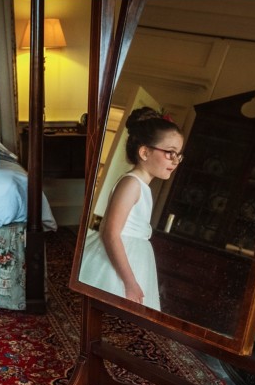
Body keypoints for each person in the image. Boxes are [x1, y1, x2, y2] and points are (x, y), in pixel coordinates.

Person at [78, 106, 183, 311]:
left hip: (136, 257)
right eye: (170, 153)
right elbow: (110, 233)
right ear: (144, 151)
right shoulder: (131, 183)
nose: (175, 161)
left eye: (178, 155)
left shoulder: (142, 186)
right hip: (119, 261)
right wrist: (130, 282)